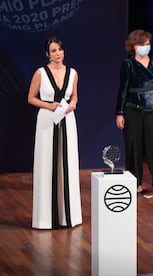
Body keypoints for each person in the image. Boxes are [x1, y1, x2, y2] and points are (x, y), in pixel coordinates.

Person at [28, 37, 82, 229]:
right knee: (47, 163)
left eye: (59, 49)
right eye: (53, 50)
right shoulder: (40, 73)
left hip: (67, 119)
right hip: (47, 120)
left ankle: (68, 216)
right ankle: (45, 218)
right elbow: (31, 98)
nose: (57, 53)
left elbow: (74, 95)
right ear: (47, 54)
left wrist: (73, 104)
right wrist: (49, 105)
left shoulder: (73, 73)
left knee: (67, 163)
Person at [115, 29, 153, 195]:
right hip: (133, 110)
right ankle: (136, 182)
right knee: (134, 146)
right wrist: (120, 112)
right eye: (141, 44)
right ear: (133, 46)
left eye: (147, 44)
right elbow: (122, 90)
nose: (145, 47)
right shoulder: (128, 65)